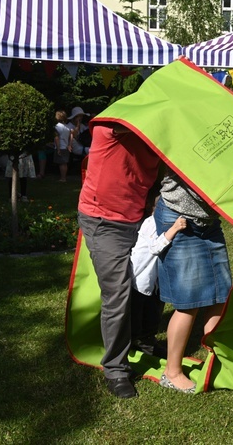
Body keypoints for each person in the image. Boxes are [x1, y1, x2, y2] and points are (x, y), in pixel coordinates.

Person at [77, 123, 160, 399]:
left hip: (140, 215)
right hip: (104, 221)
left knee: (155, 278)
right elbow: (122, 125)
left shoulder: (165, 131)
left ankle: (144, 340)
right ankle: (115, 368)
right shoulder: (112, 124)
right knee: (118, 291)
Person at [154, 169, 231, 394]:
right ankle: (172, 372)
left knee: (220, 295)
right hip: (178, 219)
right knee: (189, 303)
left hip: (208, 222)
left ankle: (217, 359)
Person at [129, 195, 187, 359]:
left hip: (155, 281)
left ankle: (147, 343)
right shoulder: (151, 223)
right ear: (154, 209)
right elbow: (155, 247)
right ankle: (127, 349)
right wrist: (174, 229)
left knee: (153, 314)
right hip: (140, 280)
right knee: (135, 316)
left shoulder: (163, 223)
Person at [54, 110, 72, 182]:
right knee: (64, 163)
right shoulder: (67, 127)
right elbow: (71, 135)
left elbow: (57, 138)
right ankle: (64, 177)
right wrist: (69, 145)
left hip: (60, 146)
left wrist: (58, 148)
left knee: (61, 163)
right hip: (66, 146)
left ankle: (63, 178)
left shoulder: (57, 127)